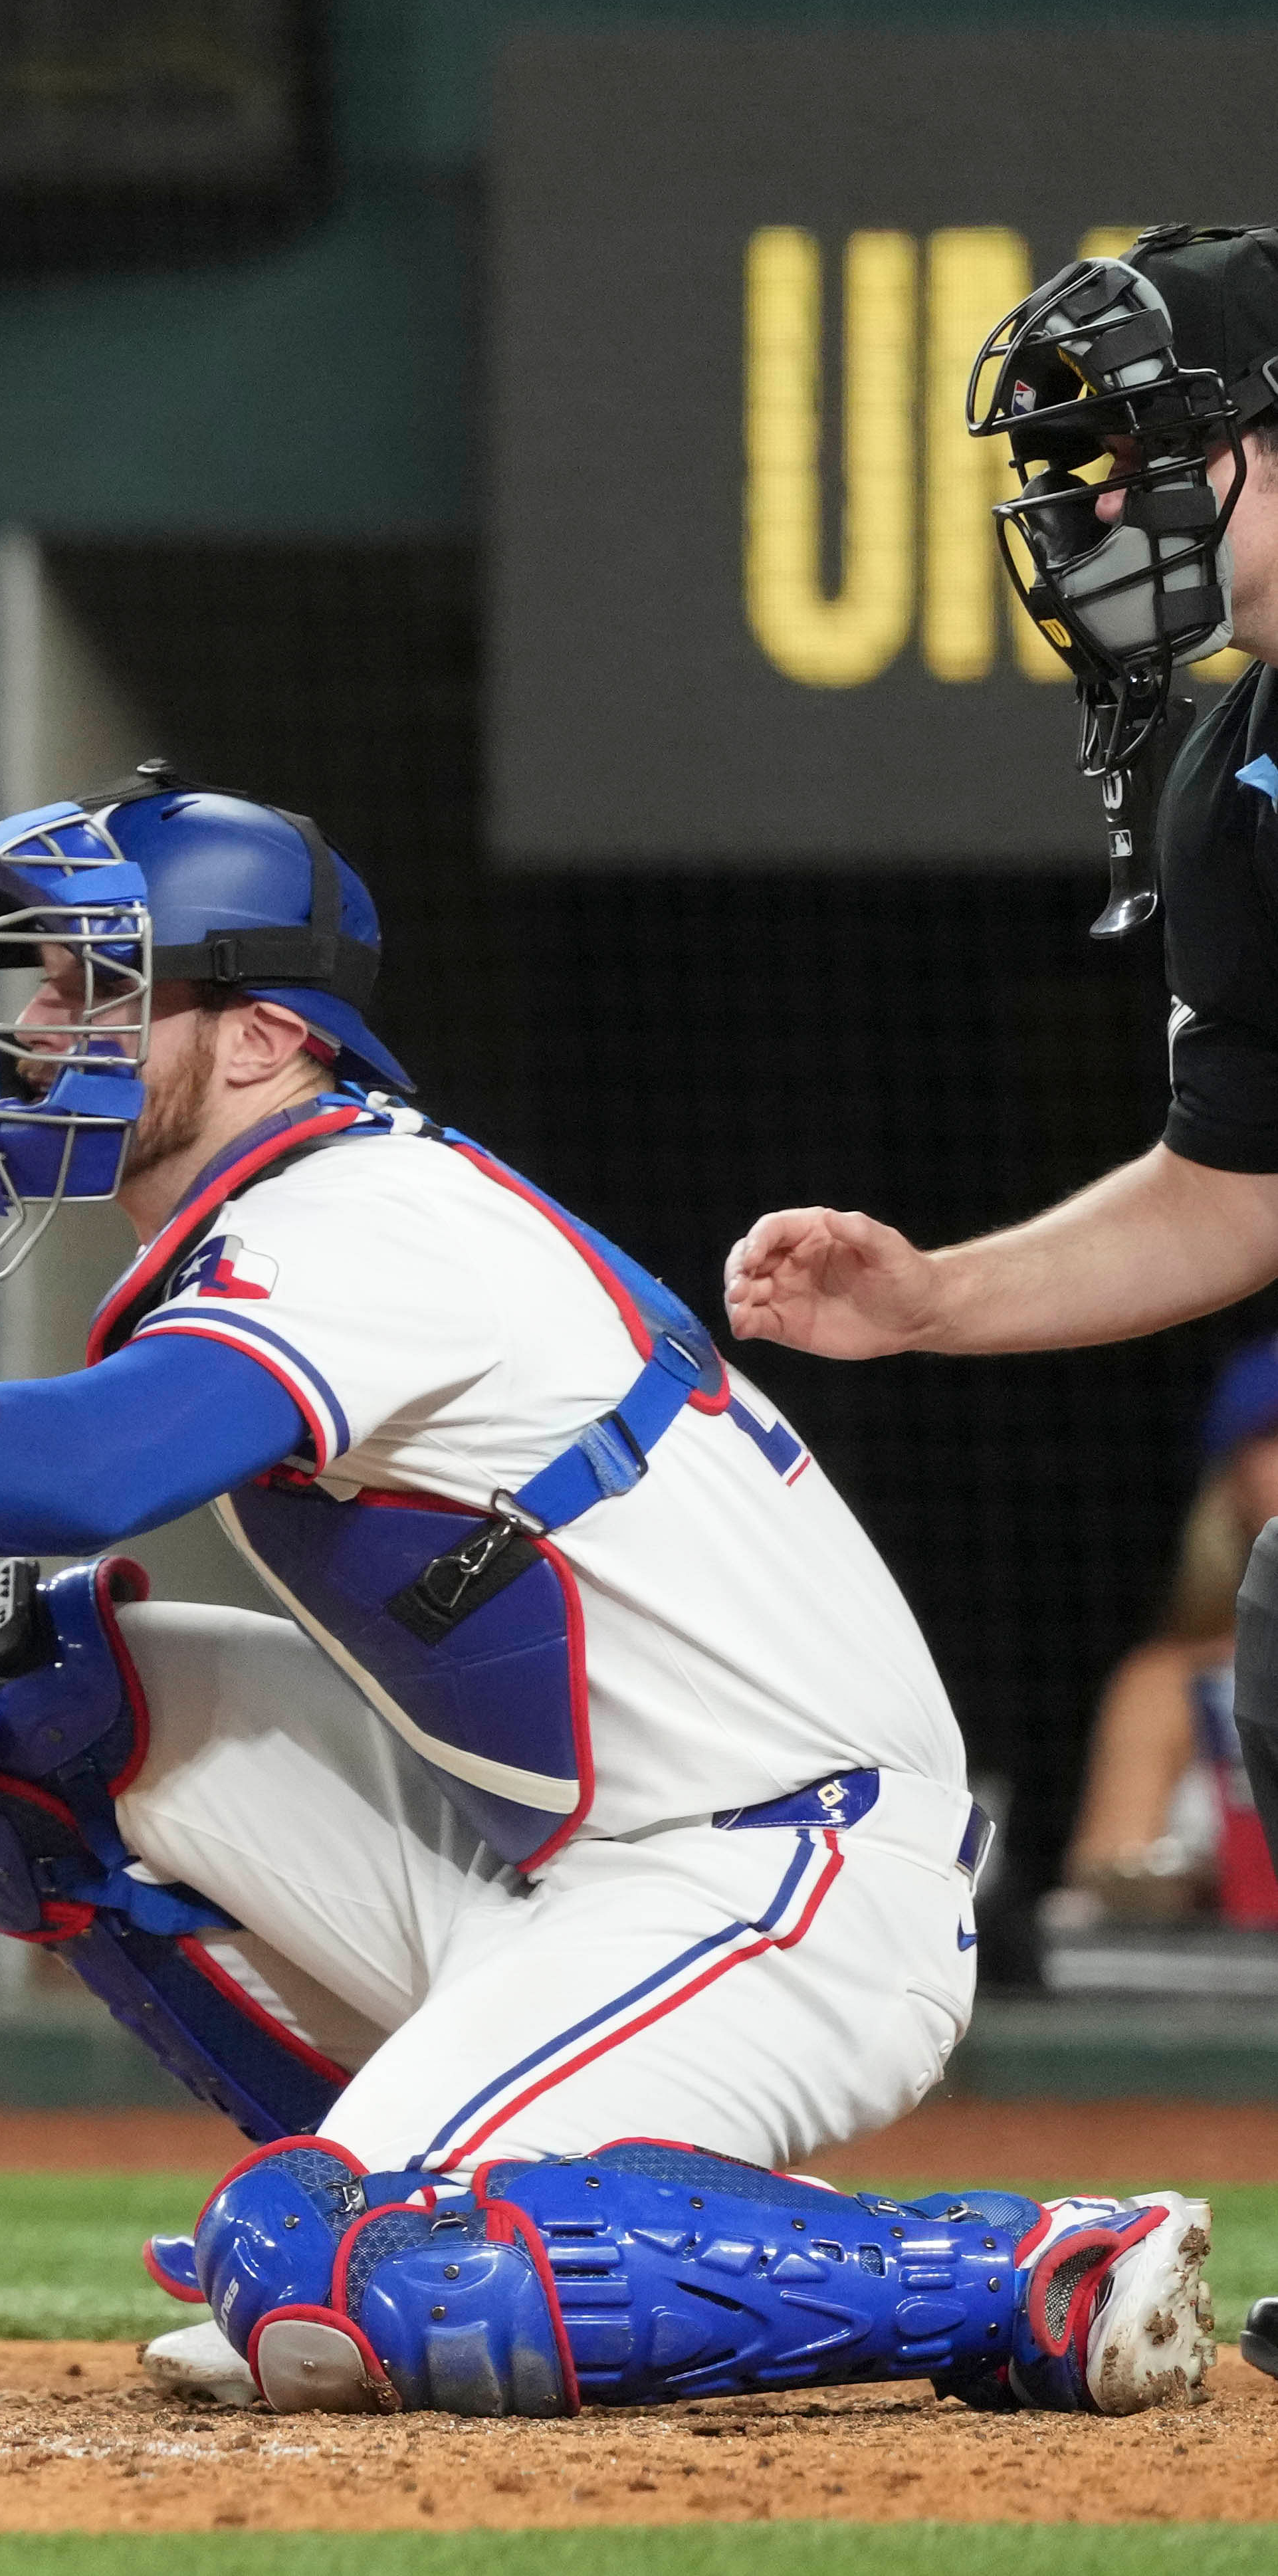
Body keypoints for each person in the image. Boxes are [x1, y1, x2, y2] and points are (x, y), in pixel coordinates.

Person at [0, 776, 1213, 2418]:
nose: (32, 1030)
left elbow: (82, 1466)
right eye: (36, 988)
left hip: (787, 1878)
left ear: (263, 1034)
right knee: (18, 1701)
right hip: (565, 1865)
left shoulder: (363, 1209)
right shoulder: (290, 1206)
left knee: (335, 2272)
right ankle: (429, 2198)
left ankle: (1019, 2269)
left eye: (94, 987)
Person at [720, 227, 1278, 2379]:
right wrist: (934, 1299)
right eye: (1072, 464)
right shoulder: (1234, 781)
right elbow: (1234, 1190)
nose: (1093, 508)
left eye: (1139, 447)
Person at [1057, 1341, 1278, 1932]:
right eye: (1276, 1433)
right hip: (1227, 2004)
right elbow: (1104, 1897)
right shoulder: (1169, 1689)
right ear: (1229, 1483)